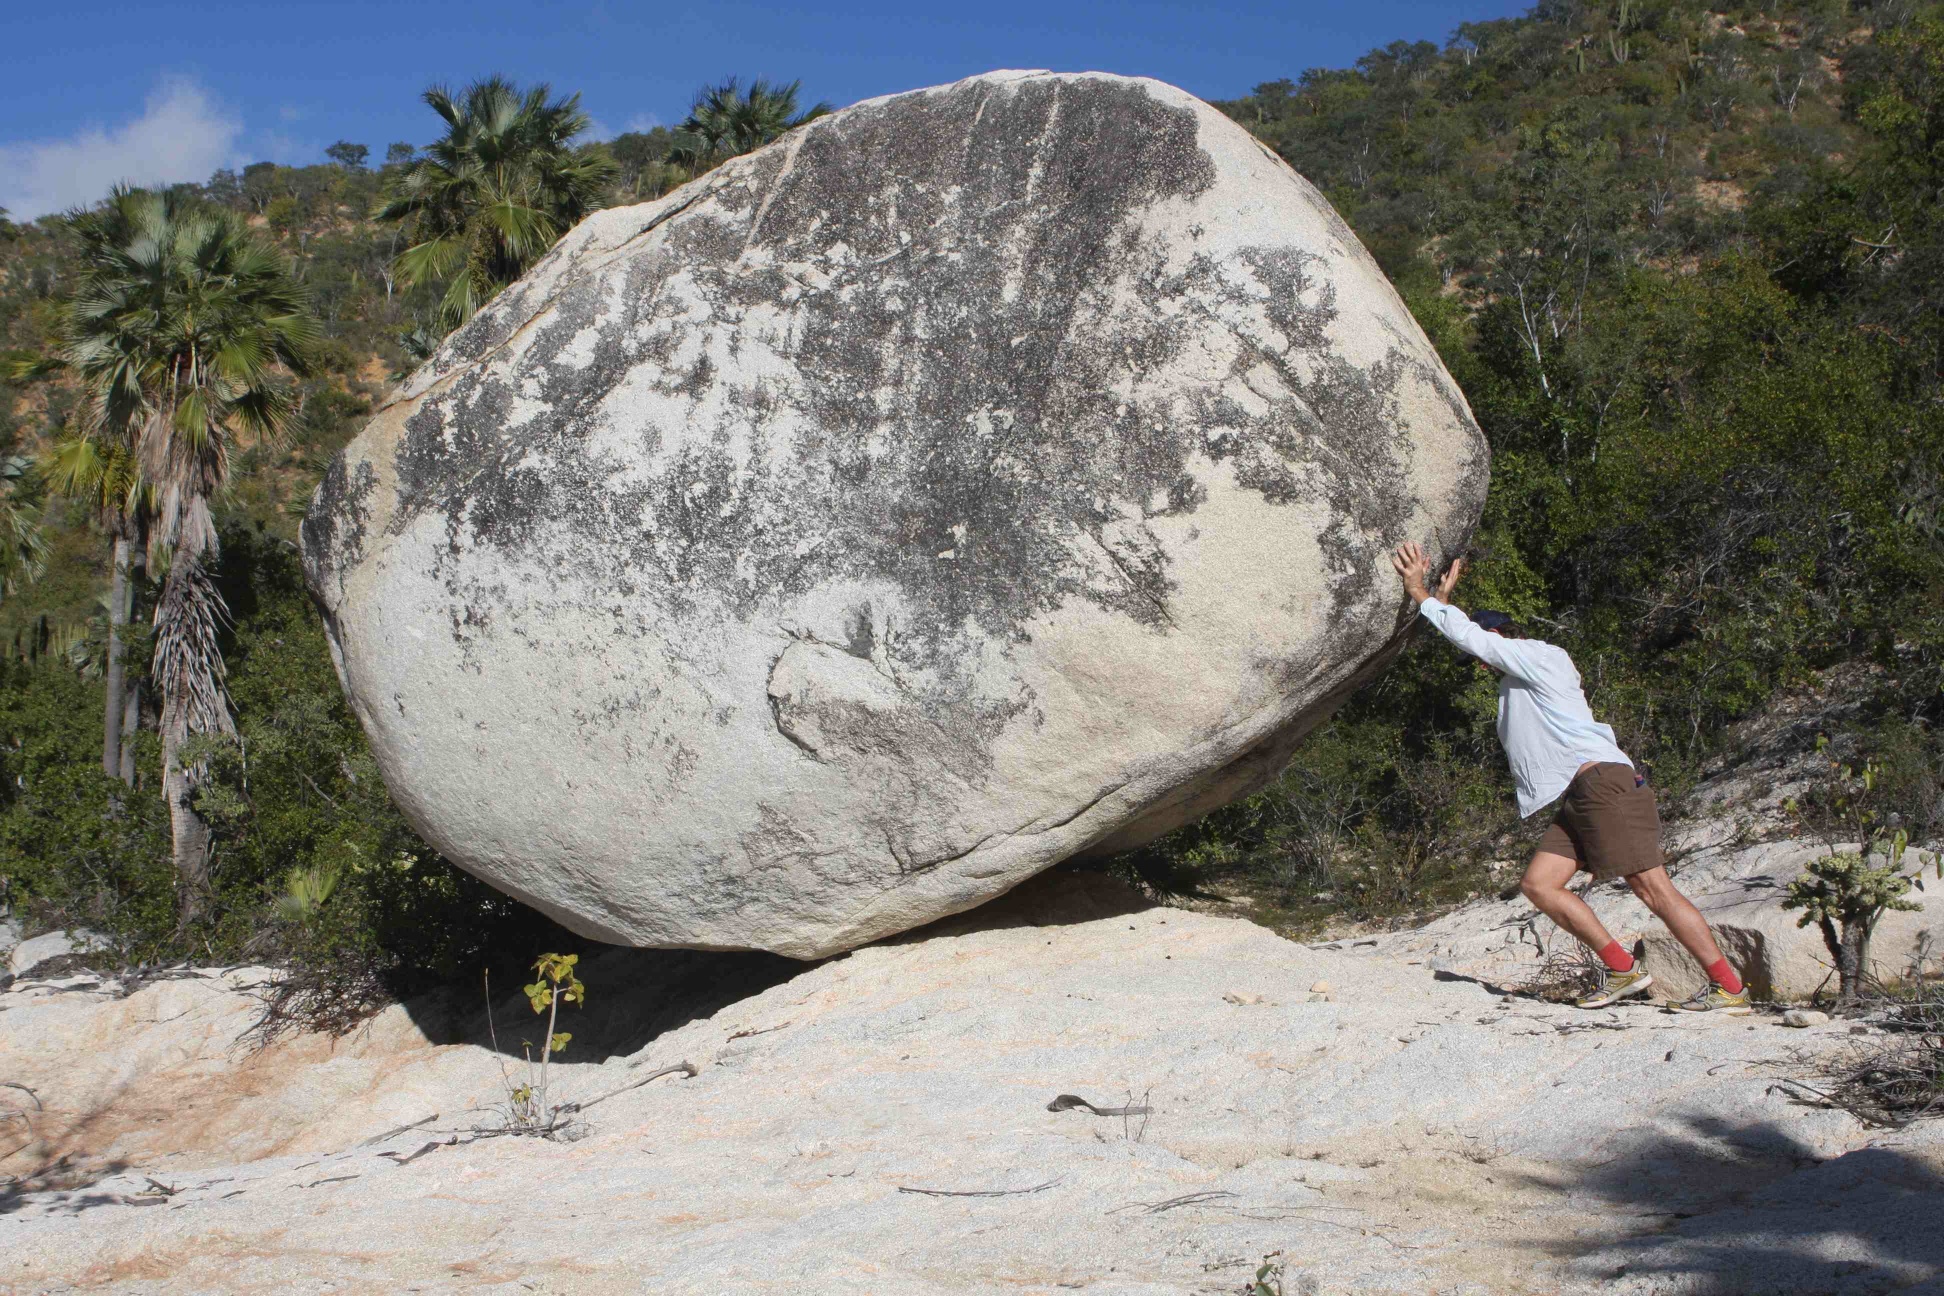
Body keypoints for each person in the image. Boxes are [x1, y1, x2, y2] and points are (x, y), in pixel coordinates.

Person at [1390, 541, 1750, 1014]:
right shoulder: (1516, 677)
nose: (1478, 664)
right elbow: (1477, 641)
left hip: (1603, 782)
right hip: (1579, 793)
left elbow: (1479, 640)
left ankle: (1729, 988)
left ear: (1502, 636)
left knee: (1652, 889)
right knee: (1540, 885)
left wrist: (1422, 595)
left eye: (1483, 651)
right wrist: (1445, 606)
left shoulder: (1540, 656)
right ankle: (1623, 970)